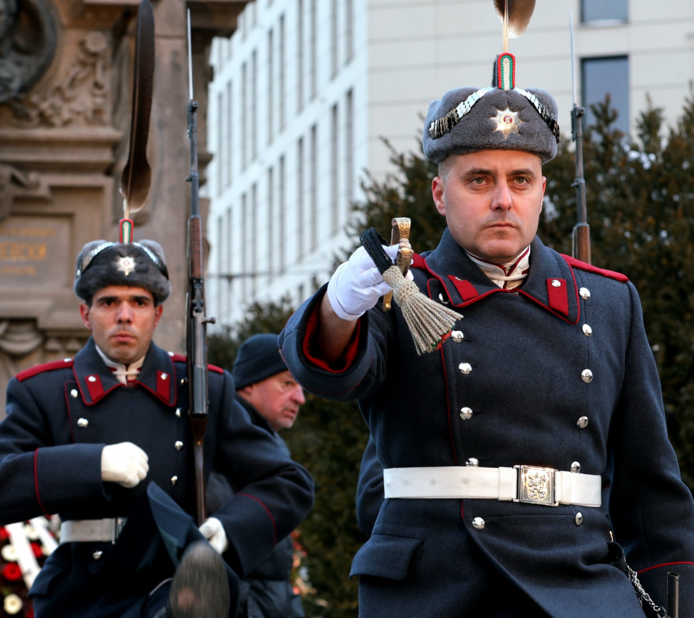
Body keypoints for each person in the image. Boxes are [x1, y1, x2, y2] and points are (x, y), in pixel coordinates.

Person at [278, 75, 694, 616]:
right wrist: (340, 306)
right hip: (438, 585)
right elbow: (331, 369)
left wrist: (675, 601)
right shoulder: (404, 291)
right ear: (439, 193)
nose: (503, 200)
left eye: (521, 180)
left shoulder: (608, 301)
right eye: (479, 180)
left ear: (543, 192)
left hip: (579, 582)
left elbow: (650, 485)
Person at [0, 239, 314, 618]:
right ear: (85, 313)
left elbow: (288, 481)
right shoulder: (45, 391)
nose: (124, 315)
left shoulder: (202, 387)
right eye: (109, 302)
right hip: (81, 591)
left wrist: (228, 528)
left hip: (175, 590)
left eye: (139, 303)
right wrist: (91, 464)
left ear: (156, 316)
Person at [204, 333, 306, 617]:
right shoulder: (218, 443)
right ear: (248, 385)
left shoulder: (271, 442)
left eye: (301, 384)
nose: (301, 397)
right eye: (287, 383)